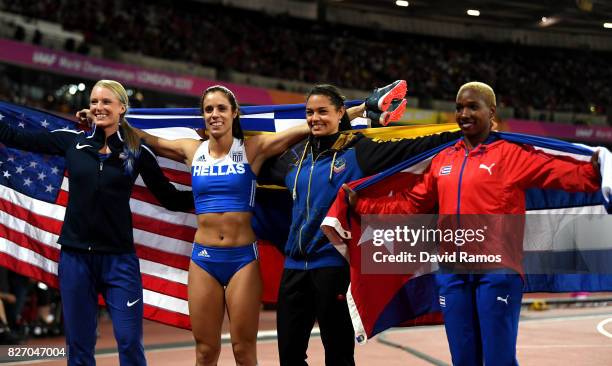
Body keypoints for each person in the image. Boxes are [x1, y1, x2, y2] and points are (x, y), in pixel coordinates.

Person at [345, 81, 602, 366]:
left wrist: (598, 167)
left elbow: (565, 174)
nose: (464, 114)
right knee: (463, 360)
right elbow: (410, 204)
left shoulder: (512, 155)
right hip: (453, 273)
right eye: (459, 108)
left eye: (472, 107)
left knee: (498, 360)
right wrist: (363, 206)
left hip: (497, 272)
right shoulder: (444, 159)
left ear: (491, 112)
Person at [258, 82, 464, 366]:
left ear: (340, 112)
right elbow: (255, 158)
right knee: (289, 356)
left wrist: (462, 133)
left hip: (333, 267)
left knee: (339, 355)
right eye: (309, 113)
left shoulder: (358, 151)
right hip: (293, 268)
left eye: (322, 111)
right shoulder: (295, 157)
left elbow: (412, 148)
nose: (315, 118)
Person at [0, 79, 194, 365]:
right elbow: (16, 137)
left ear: (122, 109)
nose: (98, 107)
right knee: (79, 346)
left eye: (106, 102)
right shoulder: (71, 141)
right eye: (94, 102)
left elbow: (170, 198)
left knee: (129, 343)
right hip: (75, 259)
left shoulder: (136, 151)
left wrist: (213, 191)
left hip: (119, 261)